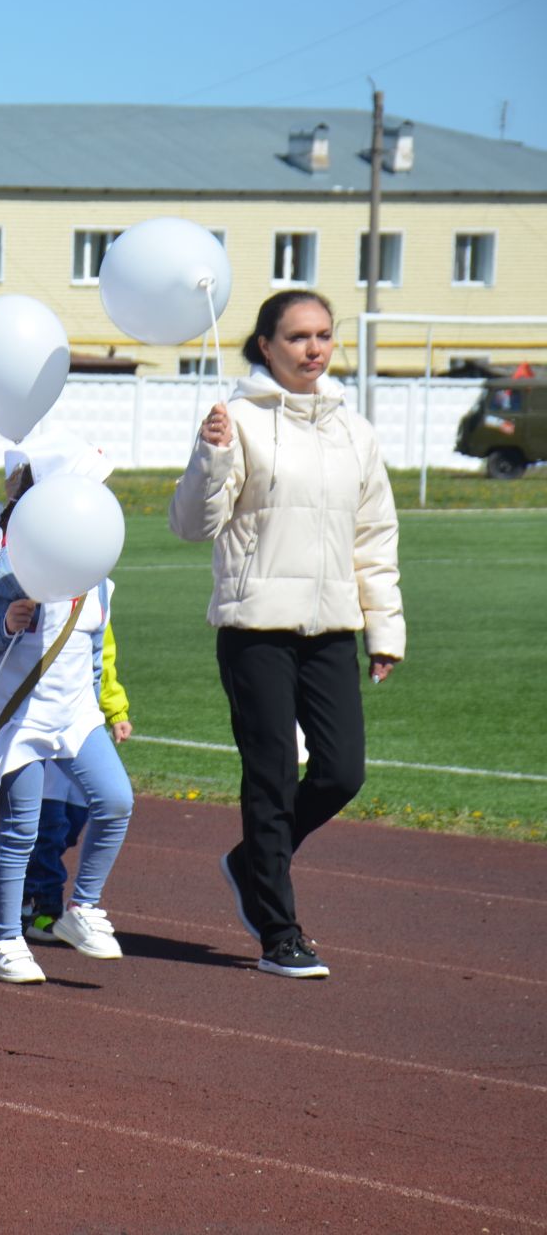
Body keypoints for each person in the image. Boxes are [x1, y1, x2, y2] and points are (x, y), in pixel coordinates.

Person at [170, 289, 403, 980]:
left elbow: (375, 537)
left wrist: (382, 628)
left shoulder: (354, 431)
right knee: (269, 780)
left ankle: (251, 862)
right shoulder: (233, 420)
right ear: (265, 346)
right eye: (298, 336)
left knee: (341, 772)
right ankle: (280, 931)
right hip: (256, 628)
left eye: (324, 336)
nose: (314, 349)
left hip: (331, 626)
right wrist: (210, 459)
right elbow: (192, 525)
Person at [0, 434, 135, 985]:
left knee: (115, 801)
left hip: (75, 714)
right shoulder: (8, 567)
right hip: (19, 717)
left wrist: (97, 707)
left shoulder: (98, 577)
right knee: (22, 829)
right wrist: (5, 624)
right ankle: (6, 941)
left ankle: (82, 908)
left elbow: (89, 651)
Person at [25, 622, 132, 942]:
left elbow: (103, 658)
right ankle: (42, 904)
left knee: (73, 821)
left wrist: (116, 710)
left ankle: (33, 890)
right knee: (48, 823)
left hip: (80, 727)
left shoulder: (96, 595)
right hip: (39, 721)